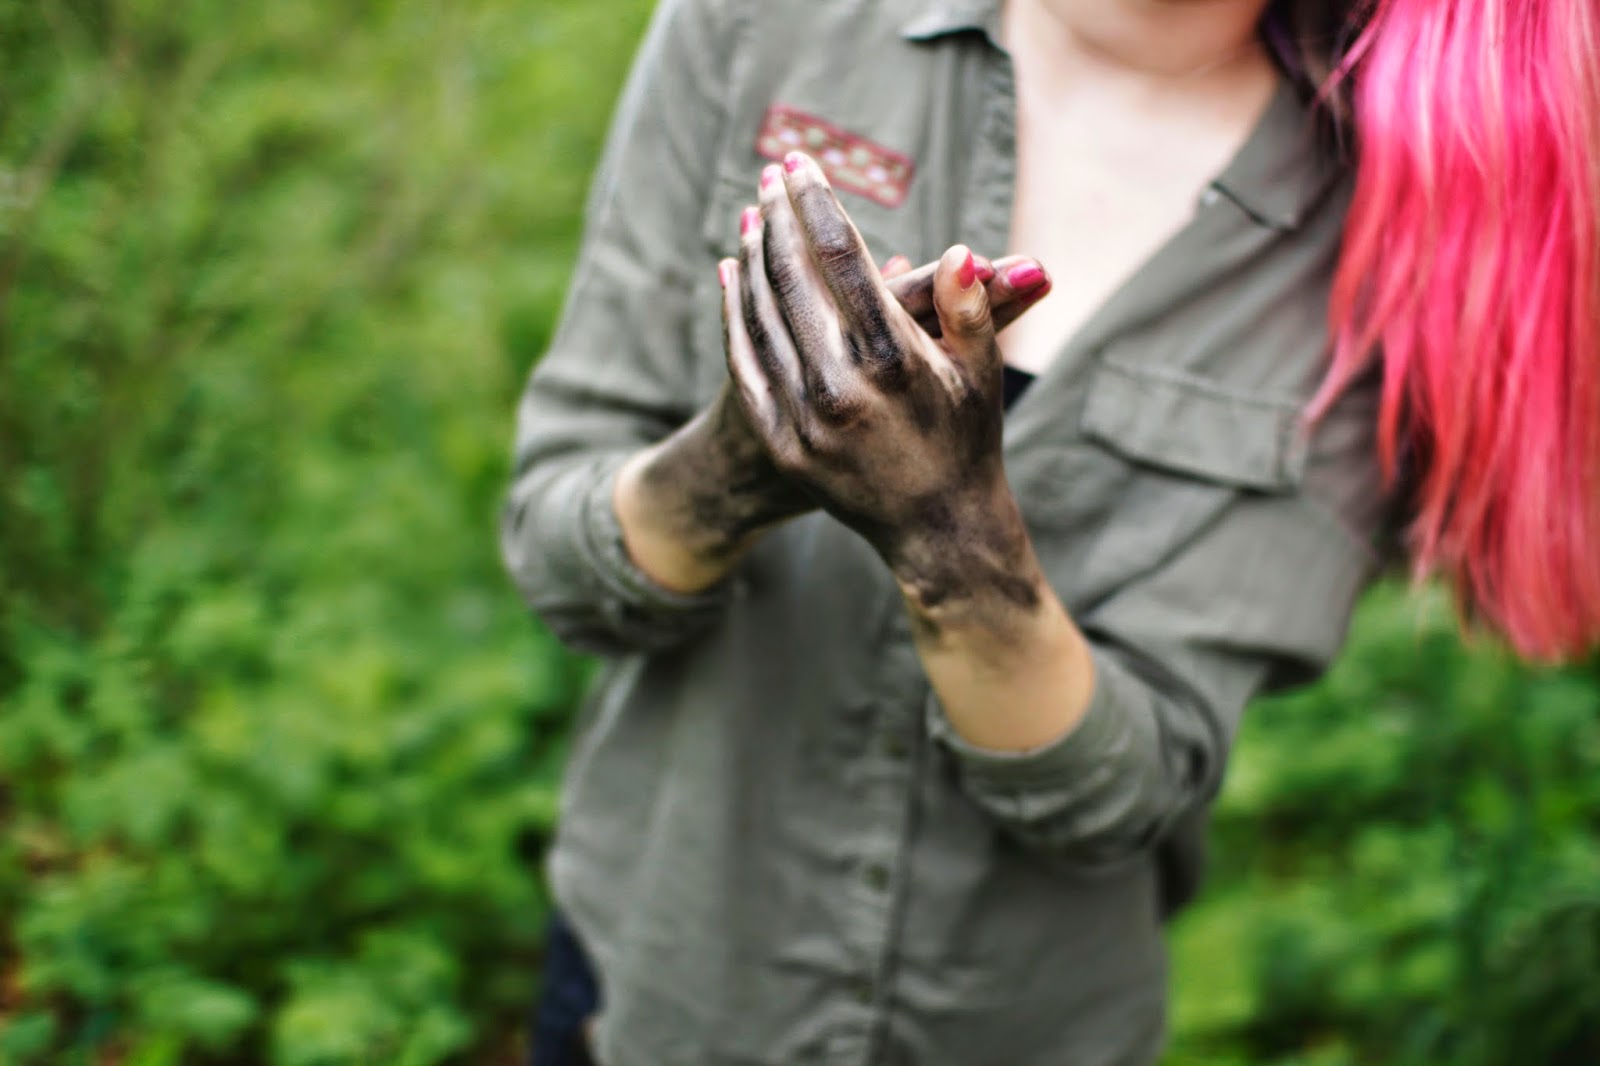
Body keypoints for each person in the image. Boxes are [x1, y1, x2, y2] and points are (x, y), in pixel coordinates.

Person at [501, 1, 1600, 1063]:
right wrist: (736, 466)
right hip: (649, 989)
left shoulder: (1386, 235)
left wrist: (955, 541)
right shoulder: (768, 25)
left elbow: (1122, 794)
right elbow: (559, 564)